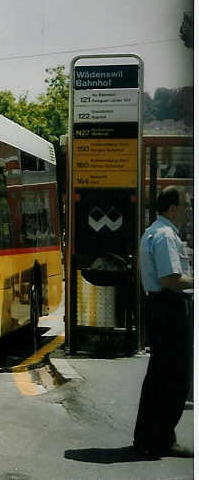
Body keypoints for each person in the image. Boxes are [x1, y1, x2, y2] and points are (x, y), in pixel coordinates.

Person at [133, 186, 193, 457]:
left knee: (158, 374)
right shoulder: (166, 235)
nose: (189, 210)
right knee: (174, 376)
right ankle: (162, 438)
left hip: (158, 307)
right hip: (170, 308)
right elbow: (171, 279)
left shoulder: (152, 232)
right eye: (186, 205)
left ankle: (148, 436)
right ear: (172, 208)